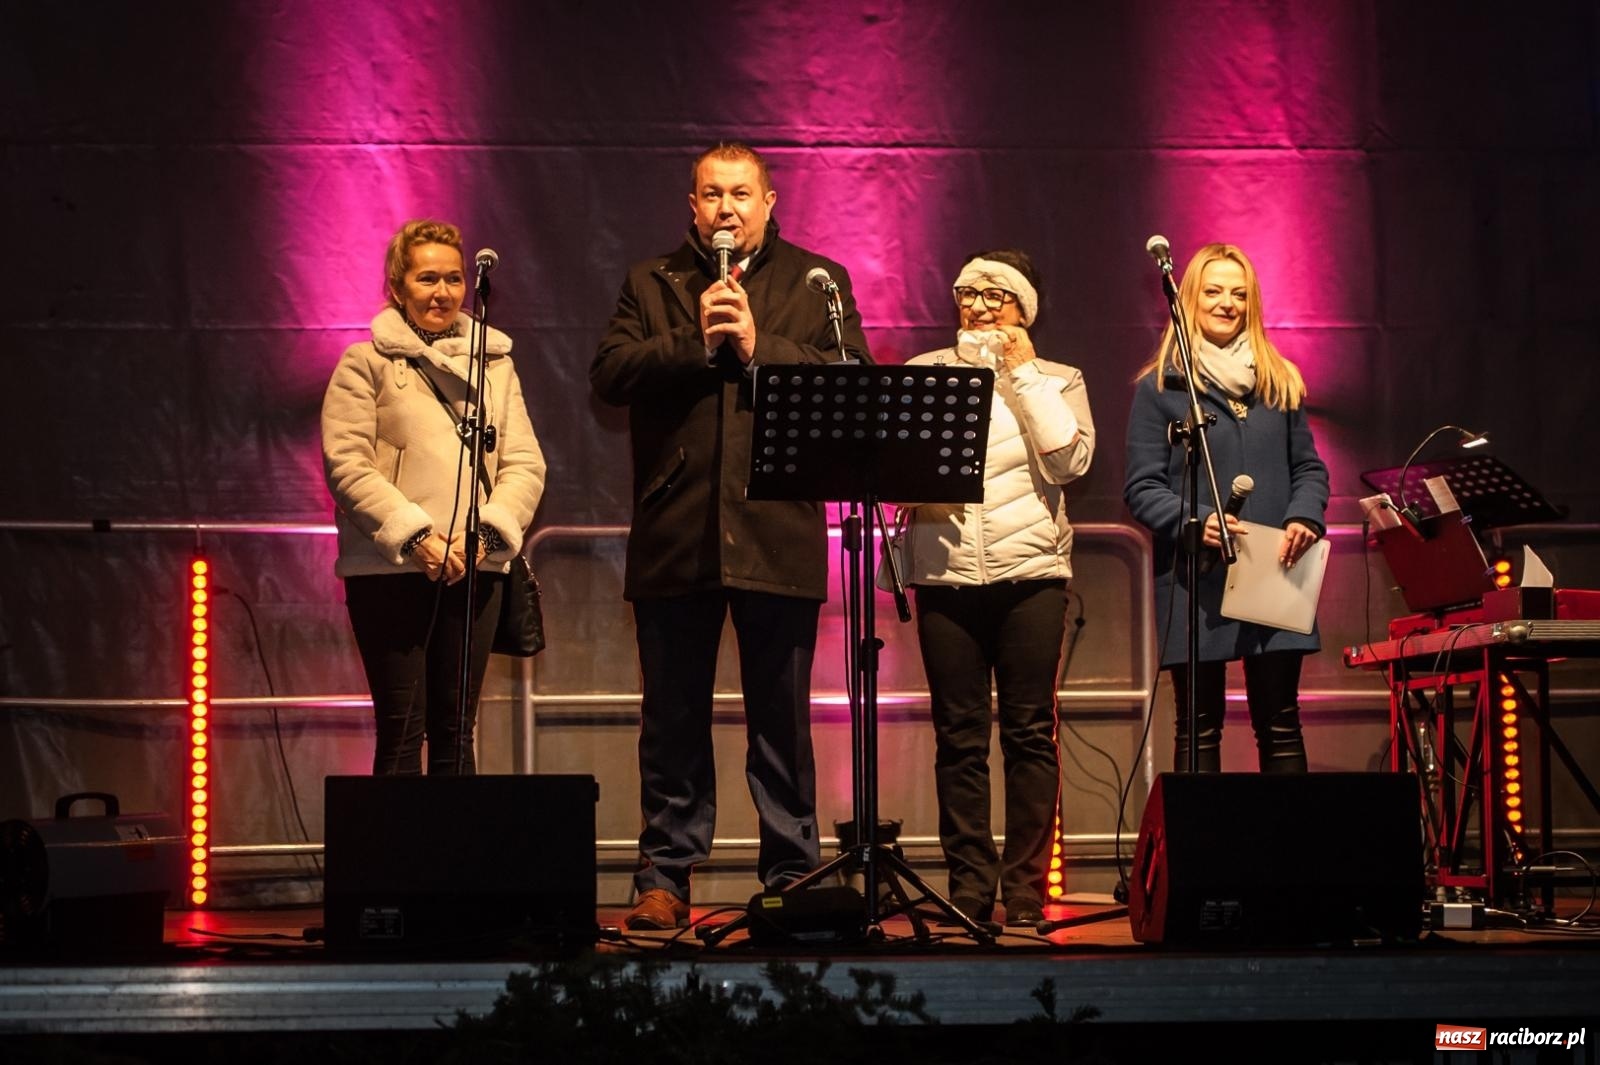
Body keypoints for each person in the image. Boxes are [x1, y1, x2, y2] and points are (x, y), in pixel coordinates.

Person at [591, 142, 870, 930]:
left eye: (741, 193)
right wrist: (695, 344)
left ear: (769, 201)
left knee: (779, 720)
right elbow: (608, 373)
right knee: (672, 718)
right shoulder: (654, 281)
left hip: (776, 532)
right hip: (677, 533)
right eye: (712, 194)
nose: (727, 208)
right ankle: (664, 875)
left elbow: (854, 377)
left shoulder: (816, 280)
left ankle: (791, 869)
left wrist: (758, 350)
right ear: (692, 206)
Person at [894, 250, 1095, 928]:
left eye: (994, 294)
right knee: (960, 736)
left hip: (1032, 576)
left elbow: (1069, 460)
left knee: (1031, 733)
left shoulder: (1059, 378)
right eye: (967, 293)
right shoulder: (926, 374)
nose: (978, 305)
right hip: (947, 576)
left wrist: (1024, 374)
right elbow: (895, 470)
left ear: (1023, 309)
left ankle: (1028, 886)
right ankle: (972, 883)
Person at [322, 218, 545, 775]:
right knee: (401, 734)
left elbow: (524, 463)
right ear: (397, 287)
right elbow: (346, 463)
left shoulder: (495, 365)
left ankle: (457, 863)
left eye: (452, 279)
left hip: (476, 567)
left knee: (456, 735)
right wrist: (417, 535)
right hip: (390, 570)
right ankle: (395, 865)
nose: (442, 293)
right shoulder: (364, 363)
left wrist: (486, 536)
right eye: (426, 279)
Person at [1123, 242, 1328, 774]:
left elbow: (1309, 468)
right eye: (1213, 291)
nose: (1226, 303)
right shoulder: (1161, 386)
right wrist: (1195, 521)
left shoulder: (1278, 380)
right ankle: (1202, 855)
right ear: (1189, 298)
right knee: (1198, 725)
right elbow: (1142, 487)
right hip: (1197, 573)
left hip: (1274, 565)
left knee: (1281, 721)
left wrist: (1304, 516)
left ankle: (1290, 857)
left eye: (1238, 293)